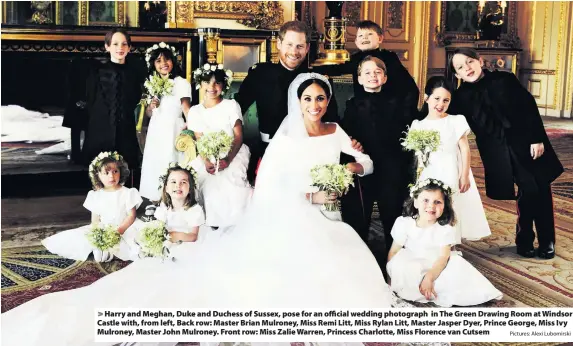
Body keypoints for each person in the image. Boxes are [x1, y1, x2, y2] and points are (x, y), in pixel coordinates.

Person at [1, 73, 404, 346]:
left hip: (328, 213)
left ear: (328, 101)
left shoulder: (336, 131)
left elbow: (363, 162)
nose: (314, 104)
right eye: (307, 98)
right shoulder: (286, 136)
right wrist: (311, 197)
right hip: (297, 213)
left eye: (320, 98)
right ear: (297, 102)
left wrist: (351, 165)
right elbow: (272, 185)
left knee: (350, 266)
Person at [448, 48, 564, 259]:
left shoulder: (505, 80)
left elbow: (528, 107)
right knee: (527, 190)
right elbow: (444, 117)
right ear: (457, 75)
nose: (467, 68)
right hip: (497, 151)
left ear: (480, 61)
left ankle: (546, 240)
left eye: (470, 62)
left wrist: (536, 138)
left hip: (527, 142)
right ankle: (525, 237)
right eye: (460, 67)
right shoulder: (460, 97)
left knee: (539, 188)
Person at [236, 20, 341, 182]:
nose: (294, 51)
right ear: (279, 43)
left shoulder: (316, 79)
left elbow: (332, 120)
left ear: (307, 48)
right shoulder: (260, 74)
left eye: (299, 46)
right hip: (269, 152)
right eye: (289, 45)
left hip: (308, 154)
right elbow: (237, 109)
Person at [341, 56, 415, 261]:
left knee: (391, 213)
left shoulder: (398, 103)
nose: (372, 76)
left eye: (377, 72)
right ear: (359, 78)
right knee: (359, 215)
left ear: (384, 78)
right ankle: (360, 259)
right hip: (364, 167)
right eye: (367, 72)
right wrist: (352, 141)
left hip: (391, 166)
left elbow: (407, 132)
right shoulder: (352, 105)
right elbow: (346, 134)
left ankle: (394, 260)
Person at [387, 178, 503, 307]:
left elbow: (443, 258)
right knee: (401, 264)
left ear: (444, 206)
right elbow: (394, 252)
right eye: (426, 200)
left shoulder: (445, 229)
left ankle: (430, 286)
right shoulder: (404, 223)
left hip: (437, 266)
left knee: (456, 271)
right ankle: (413, 287)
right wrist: (391, 277)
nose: (431, 206)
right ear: (415, 202)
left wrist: (430, 277)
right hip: (412, 262)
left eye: (437, 202)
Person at [411, 76, 491, 243]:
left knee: (451, 205)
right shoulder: (418, 124)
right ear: (426, 98)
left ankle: (451, 244)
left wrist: (464, 176)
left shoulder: (455, 120)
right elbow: (417, 155)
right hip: (428, 171)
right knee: (429, 205)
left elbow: (464, 148)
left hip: (451, 169)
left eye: (446, 100)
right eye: (437, 99)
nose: (440, 104)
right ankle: (431, 241)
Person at [41, 151, 142, 262]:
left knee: (135, 244)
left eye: (115, 171)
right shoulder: (96, 195)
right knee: (93, 249)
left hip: (125, 227)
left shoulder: (128, 193)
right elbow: (95, 220)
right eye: (106, 173)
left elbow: (131, 216)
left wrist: (119, 230)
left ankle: (114, 251)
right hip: (105, 228)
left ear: (121, 172)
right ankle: (105, 249)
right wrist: (98, 233)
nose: (111, 176)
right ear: (97, 175)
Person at [187, 64, 253, 228]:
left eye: (217, 83)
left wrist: (228, 159)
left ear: (223, 85)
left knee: (229, 182)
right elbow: (200, 140)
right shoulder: (195, 111)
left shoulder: (231, 105)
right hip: (207, 155)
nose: (211, 87)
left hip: (233, 152)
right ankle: (210, 225)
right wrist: (206, 161)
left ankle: (235, 225)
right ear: (200, 84)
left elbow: (238, 137)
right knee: (204, 180)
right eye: (207, 82)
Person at [312, 20, 419, 117]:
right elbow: (337, 69)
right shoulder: (355, 59)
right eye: (361, 35)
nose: (365, 38)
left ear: (380, 38)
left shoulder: (389, 57)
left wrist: (405, 112)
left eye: (369, 34)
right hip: (363, 106)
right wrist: (312, 69)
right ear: (356, 42)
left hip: (389, 107)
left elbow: (409, 86)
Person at [81, 28, 146, 173]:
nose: (120, 48)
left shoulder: (134, 74)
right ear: (107, 46)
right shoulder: (96, 72)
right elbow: (90, 101)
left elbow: (135, 101)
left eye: (124, 44)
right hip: (100, 130)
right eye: (115, 44)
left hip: (125, 131)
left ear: (129, 48)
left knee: (125, 171)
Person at [139, 42, 191, 201]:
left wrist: (190, 129)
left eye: (167, 60)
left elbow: (186, 109)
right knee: (156, 162)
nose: (163, 64)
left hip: (172, 128)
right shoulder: (151, 84)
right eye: (159, 61)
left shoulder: (180, 82)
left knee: (171, 160)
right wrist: (151, 107)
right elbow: (149, 113)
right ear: (153, 64)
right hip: (157, 129)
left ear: (173, 61)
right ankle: (155, 198)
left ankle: (172, 198)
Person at [152, 163, 206, 244]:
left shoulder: (194, 210)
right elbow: (159, 226)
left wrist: (172, 235)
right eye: (173, 182)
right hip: (167, 243)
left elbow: (193, 236)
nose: (178, 185)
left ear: (190, 189)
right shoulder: (165, 207)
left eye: (183, 182)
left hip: (187, 245)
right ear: (166, 188)